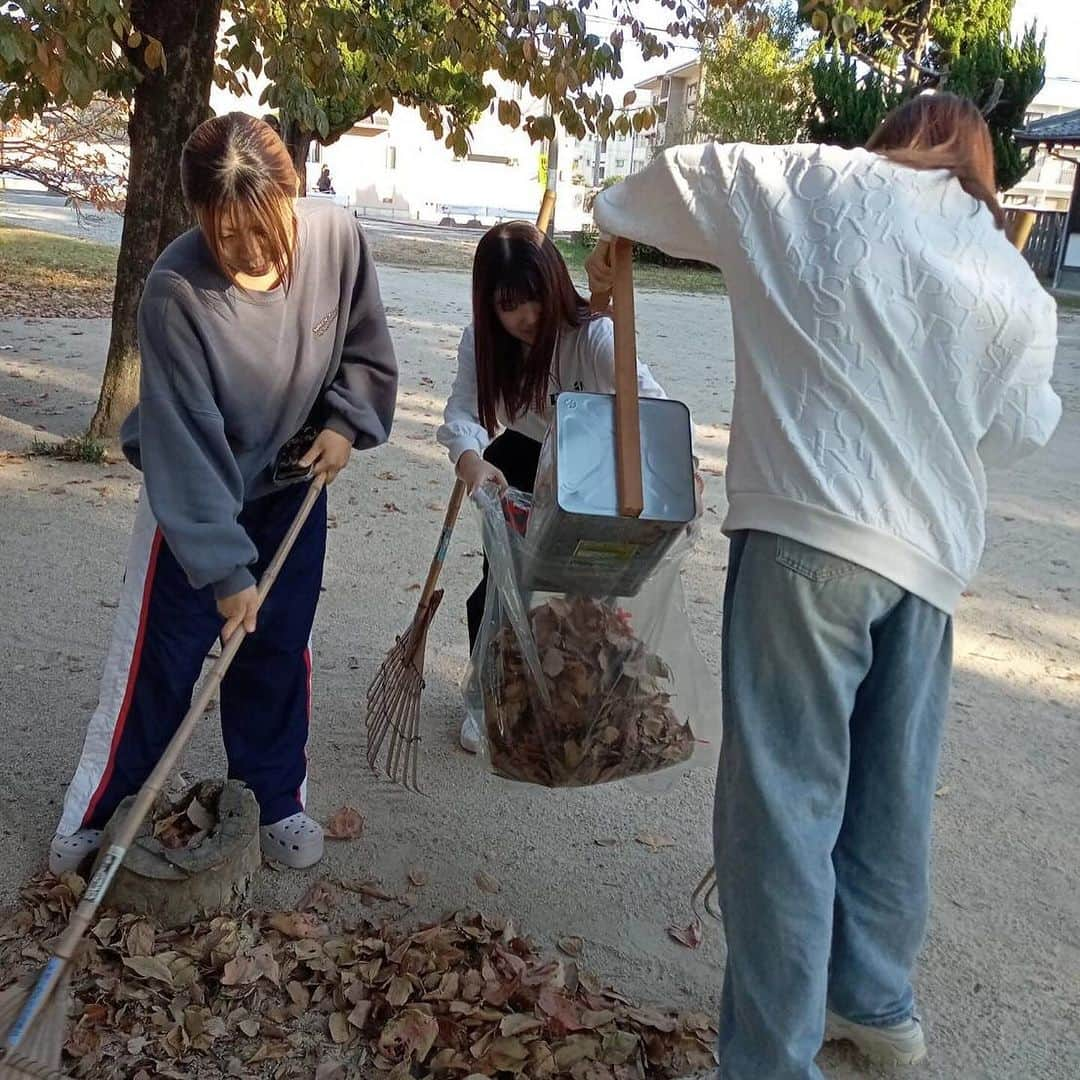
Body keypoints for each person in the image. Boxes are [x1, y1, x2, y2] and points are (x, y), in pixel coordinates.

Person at [586, 93, 1060, 1078]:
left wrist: (612, 210)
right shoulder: (1006, 273)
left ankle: (768, 1059)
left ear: (893, 138)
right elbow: (1021, 430)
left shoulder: (813, 183)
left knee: (783, 807)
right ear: (975, 160)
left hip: (808, 528)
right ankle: (876, 1004)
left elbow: (673, 182)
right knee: (891, 796)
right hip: (927, 562)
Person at [49, 113, 398, 875]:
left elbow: (367, 349)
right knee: (160, 663)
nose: (247, 250)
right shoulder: (176, 290)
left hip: (293, 484)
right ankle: (102, 811)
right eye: (225, 232)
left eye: (261, 227)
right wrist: (225, 570)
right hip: (193, 501)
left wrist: (346, 422)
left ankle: (274, 799)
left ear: (293, 193)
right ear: (198, 219)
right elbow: (183, 444)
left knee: (277, 648)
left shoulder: (336, 239)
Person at [437, 220, 667, 752]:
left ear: (556, 285)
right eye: (508, 304)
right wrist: (470, 460)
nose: (526, 316)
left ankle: (572, 695)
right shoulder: (482, 341)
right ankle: (487, 697)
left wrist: (680, 469)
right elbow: (464, 409)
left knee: (583, 580)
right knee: (503, 581)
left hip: (587, 464)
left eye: (536, 297)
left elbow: (649, 403)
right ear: (488, 305)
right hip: (516, 458)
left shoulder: (593, 334)